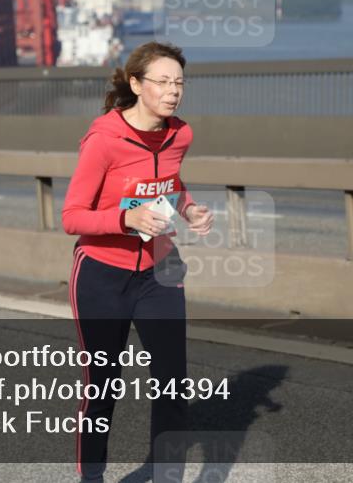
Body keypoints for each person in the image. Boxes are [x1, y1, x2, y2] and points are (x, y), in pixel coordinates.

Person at [62, 41, 214, 483]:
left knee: (172, 386)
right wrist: (125, 218)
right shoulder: (103, 141)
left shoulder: (180, 134)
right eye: (162, 82)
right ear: (136, 84)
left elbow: (170, 182)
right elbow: (72, 217)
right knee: (103, 386)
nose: (173, 92)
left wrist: (188, 209)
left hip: (161, 272)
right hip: (102, 275)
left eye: (179, 82)